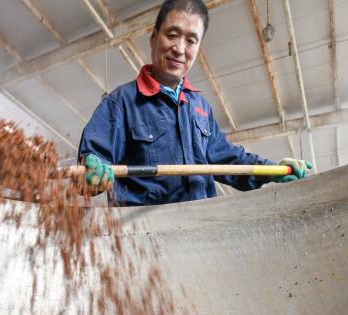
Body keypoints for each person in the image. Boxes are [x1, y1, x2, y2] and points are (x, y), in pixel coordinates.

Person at [78, 0, 311, 206]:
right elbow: (90, 165)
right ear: (153, 37)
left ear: (198, 48)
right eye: (172, 34)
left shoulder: (199, 106)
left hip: (201, 229)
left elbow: (229, 158)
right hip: (143, 239)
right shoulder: (121, 103)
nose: (179, 49)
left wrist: (271, 169)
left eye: (191, 40)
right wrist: (93, 171)